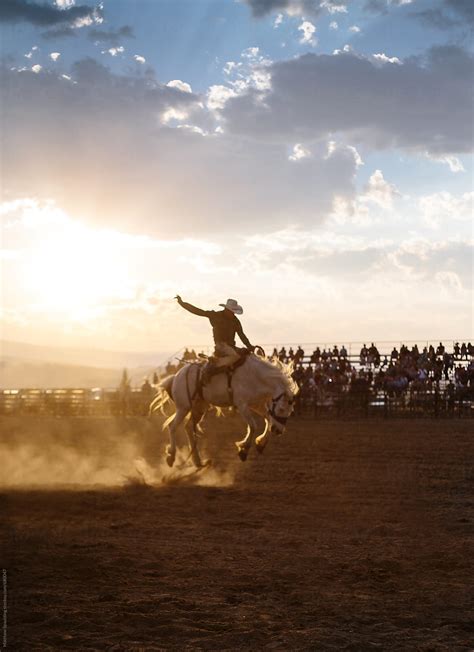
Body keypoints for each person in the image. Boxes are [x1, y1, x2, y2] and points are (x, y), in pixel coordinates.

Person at [175, 296, 254, 383]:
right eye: (232, 311)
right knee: (235, 356)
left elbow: (242, 335)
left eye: (234, 312)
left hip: (231, 347)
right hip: (221, 346)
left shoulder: (235, 321)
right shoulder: (215, 315)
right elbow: (198, 311)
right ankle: (214, 365)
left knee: (246, 355)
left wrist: (249, 346)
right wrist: (182, 303)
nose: (233, 314)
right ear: (227, 309)